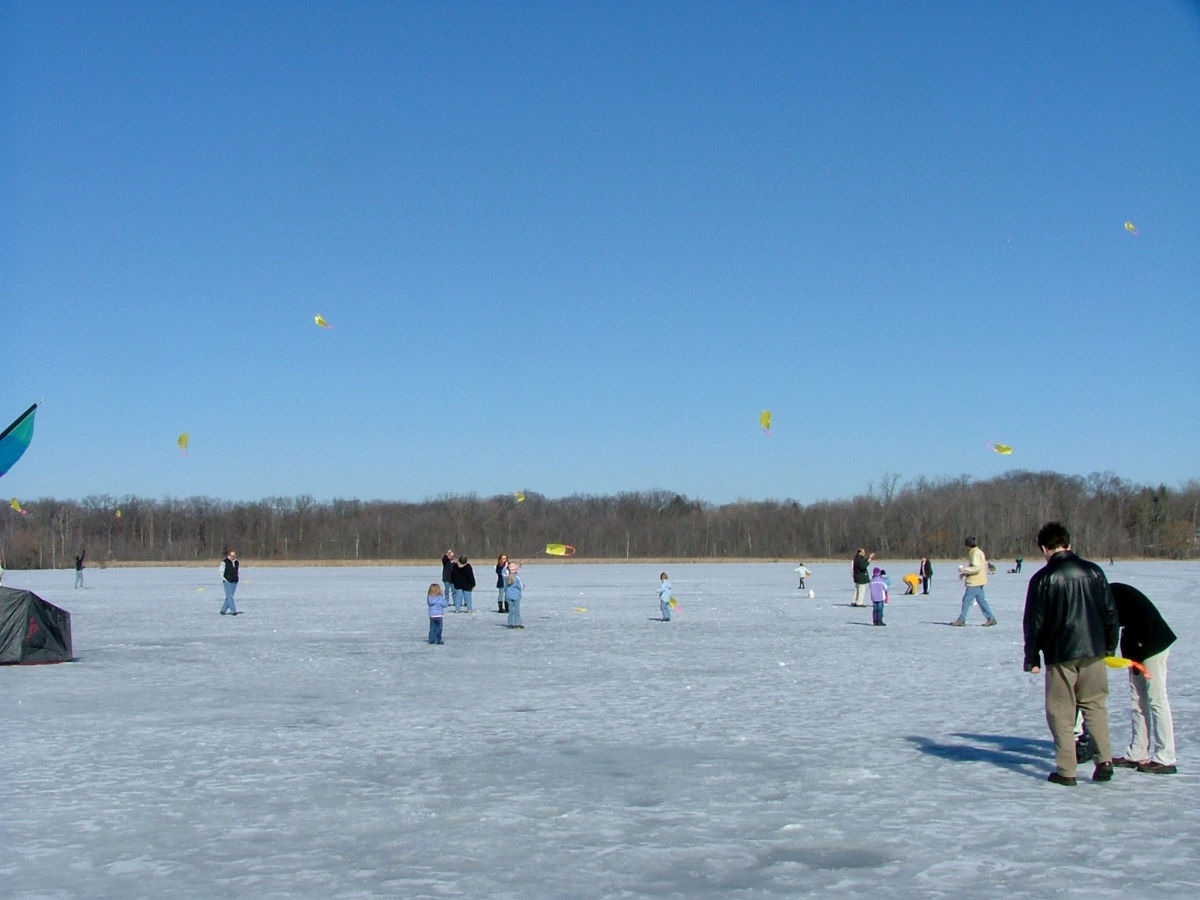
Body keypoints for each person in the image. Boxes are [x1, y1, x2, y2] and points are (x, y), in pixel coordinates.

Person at [1022, 521, 1119, 786]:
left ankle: (1067, 770)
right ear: (1069, 544)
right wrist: (1109, 646)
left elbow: (1034, 622)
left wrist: (1032, 657)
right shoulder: (1094, 571)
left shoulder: (1042, 579)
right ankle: (1104, 761)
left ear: (1044, 548)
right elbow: (1110, 612)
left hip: (1060, 653)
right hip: (1093, 649)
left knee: (1061, 712)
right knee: (1095, 706)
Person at [1110, 582, 1177, 774]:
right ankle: (1138, 752)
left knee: (1157, 700)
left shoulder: (1109, 595)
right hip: (1136, 647)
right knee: (1137, 700)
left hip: (1153, 646)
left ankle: (1166, 757)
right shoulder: (1106, 594)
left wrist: (1106, 653)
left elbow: (1110, 628)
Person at [952, 536, 996, 626]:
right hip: (979, 580)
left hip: (974, 581)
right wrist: (965, 573)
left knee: (966, 600)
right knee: (981, 601)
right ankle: (991, 618)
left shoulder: (975, 553)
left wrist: (964, 569)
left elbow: (976, 568)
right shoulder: (978, 552)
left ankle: (961, 620)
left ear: (967, 545)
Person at [220, 549, 240, 616]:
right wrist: (224, 579)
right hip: (227, 581)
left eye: (234, 555)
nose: (233, 557)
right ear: (229, 555)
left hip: (234, 581)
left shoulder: (236, 562)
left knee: (229, 596)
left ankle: (223, 610)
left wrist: (238, 578)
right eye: (231, 555)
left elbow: (238, 571)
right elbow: (221, 571)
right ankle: (233, 610)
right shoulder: (224, 562)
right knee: (230, 596)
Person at [505, 561, 524, 629]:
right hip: (516, 597)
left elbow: (505, 586)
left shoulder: (506, 578)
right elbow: (521, 587)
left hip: (509, 596)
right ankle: (517, 623)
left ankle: (510, 623)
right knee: (516, 611)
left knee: (511, 611)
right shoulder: (517, 578)